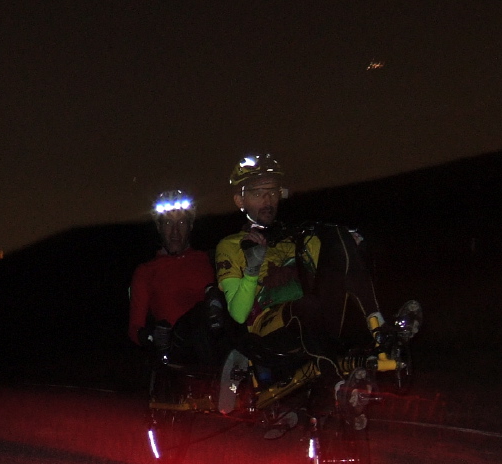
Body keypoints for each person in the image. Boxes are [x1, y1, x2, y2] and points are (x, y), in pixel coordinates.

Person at [214, 154, 384, 419]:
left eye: (272, 191)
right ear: (240, 200)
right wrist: (252, 268)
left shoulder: (295, 238)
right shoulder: (231, 245)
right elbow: (237, 313)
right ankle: (335, 382)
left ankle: (380, 332)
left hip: (314, 321)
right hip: (267, 333)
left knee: (335, 234)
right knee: (307, 306)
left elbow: (337, 272)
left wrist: (350, 244)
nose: (268, 200)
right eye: (258, 193)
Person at [129, 189, 222, 366]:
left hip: (214, 343)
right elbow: (135, 328)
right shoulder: (146, 271)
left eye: (181, 222)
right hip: (176, 353)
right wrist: (153, 336)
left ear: (191, 225)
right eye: (168, 224)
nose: (175, 232)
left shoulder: (209, 260)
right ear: (158, 227)